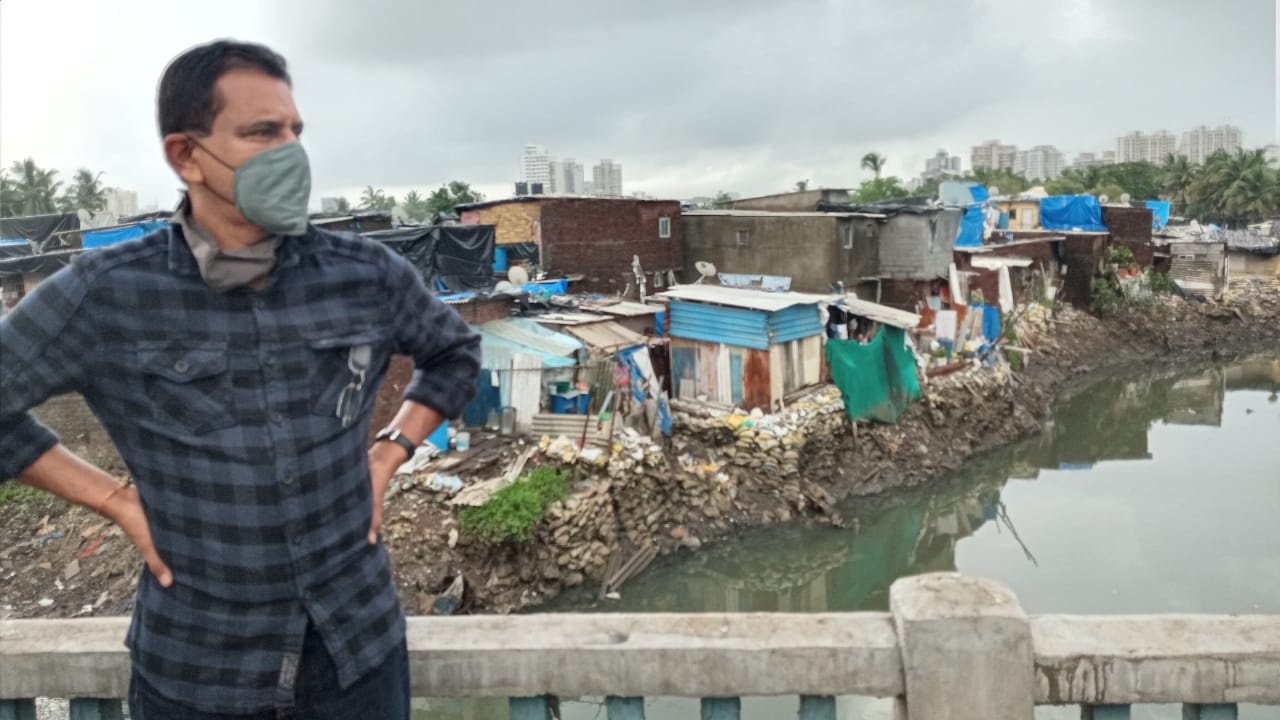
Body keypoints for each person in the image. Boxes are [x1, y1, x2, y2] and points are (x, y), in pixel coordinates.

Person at [0, 40, 481, 719]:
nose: (290, 154)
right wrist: (115, 500)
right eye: (262, 133)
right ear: (186, 155)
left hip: (358, 656)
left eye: (295, 132)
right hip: (201, 669)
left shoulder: (363, 273)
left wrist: (389, 450)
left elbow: (455, 351)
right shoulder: (108, 293)